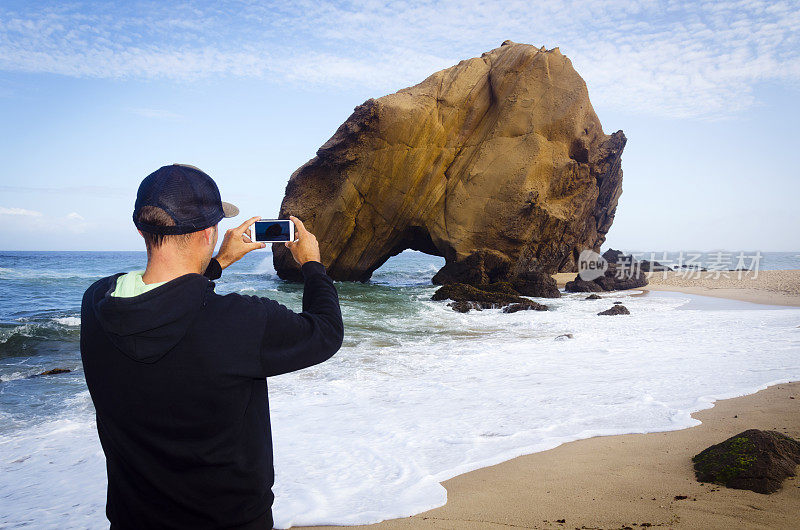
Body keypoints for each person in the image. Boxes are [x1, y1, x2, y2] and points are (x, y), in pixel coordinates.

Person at [80, 163, 344, 529]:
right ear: (209, 232)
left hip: (132, 519)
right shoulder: (244, 320)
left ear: (141, 228)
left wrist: (219, 262)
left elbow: (169, 303)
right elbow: (326, 332)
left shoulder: (98, 302)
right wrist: (312, 264)